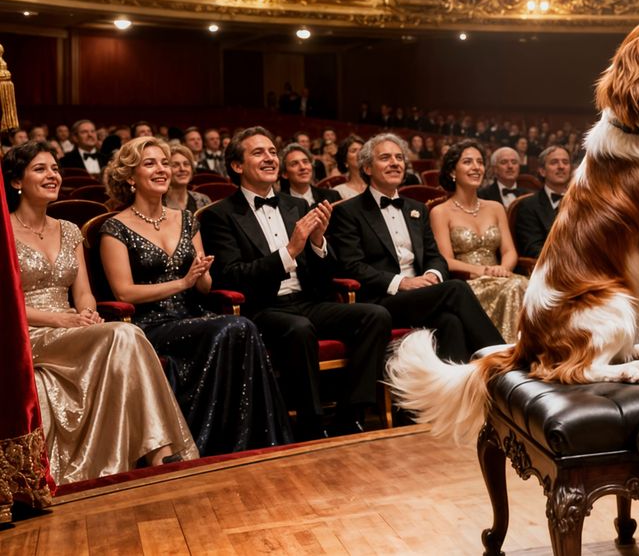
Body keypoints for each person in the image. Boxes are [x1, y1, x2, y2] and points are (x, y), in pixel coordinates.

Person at [8, 142, 199, 484]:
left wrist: (86, 313)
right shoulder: (4, 232)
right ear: (15, 182)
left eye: (54, 169)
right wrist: (60, 319)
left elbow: (83, 293)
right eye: (40, 169)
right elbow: (7, 303)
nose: (52, 175)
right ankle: (162, 452)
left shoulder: (68, 229)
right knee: (126, 333)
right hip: (27, 332)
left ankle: (152, 453)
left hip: (72, 326)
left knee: (123, 337)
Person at [98, 137, 291, 454]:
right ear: (130, 177)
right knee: (236, 327)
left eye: (164, 162)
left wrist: (202, 277)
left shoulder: (188, 220)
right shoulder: (114, 228)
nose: (162, 169)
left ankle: (249, 442)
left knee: (240, 327)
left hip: (193, 316)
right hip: (148, 325)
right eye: (150, 164)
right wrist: (184, 283)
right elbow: (124, 291)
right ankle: (214, 443)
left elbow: (205, 286)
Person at [202, 128, 389, 440]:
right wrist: (288, 252)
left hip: (308, 300)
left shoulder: (297, 206)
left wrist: (317, 244)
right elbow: (232, 276)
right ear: (237, 166)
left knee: (376, 316)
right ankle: (310, 423)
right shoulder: (220, 215)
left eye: (272, 152)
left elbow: (323, 276)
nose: (269, 158)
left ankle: (349, 414)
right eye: (258, 152)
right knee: (299, 328)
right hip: (261, 306)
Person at [327, 134, 501, 362]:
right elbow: (352, 266)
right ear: (367, 167)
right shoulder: (349, 211)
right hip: (381, 300)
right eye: (385, 158)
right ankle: (503, 360)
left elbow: (434, 256)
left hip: (421, 295)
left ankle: (453, 393)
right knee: (456, 289)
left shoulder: (417, 209)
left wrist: (432, 274)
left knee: (451, 321)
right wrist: (403, 283)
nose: (395, 163)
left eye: (399, 157)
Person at [431, 141, 526, 342]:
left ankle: (530, 353)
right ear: (452, 171)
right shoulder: (440, 212)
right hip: (468, 286)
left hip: (501, 278)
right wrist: (482, 271)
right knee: (514, 287)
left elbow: (509, 251)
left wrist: (502, 268)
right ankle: (506, 355)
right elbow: (445, 260)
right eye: (467, 162)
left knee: (525, 285)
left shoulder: (495, 207)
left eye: (480, 162)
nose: (476, 167)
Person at [512, 145, 570, 262]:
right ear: (542, 171)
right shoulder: (528, 205)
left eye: (565, 162)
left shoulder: (582, 203)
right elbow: (533, 250)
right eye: (554, 162)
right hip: (551, 270)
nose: (561, 167)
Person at [163, 143, 213, 214]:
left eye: (186, 164)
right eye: (175, 165)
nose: (182, 169)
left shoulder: (203, 200)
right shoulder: (157, 203)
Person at [331, 135, 367, 199]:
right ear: (345, 161)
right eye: (354, 151)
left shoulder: (378, 185)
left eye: (362, 150)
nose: (360, 153)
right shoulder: (338, 191)